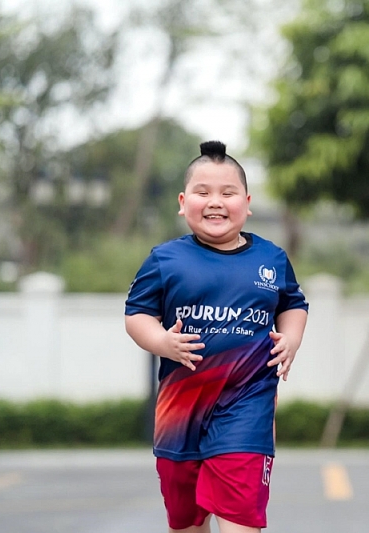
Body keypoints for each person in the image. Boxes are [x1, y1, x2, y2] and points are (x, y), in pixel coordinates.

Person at [125, 141, 309, 533]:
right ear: (182, 201)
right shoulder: (165, 260)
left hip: (247, 407)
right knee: (186, 523)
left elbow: (293, 303)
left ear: (246, 201)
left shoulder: (270, 259)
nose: (215, 202)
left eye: (227, 193)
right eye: (202, 192)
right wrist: (162, 342)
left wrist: (291, 339)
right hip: (180, 414)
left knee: (240, 518)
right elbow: (137, 315)